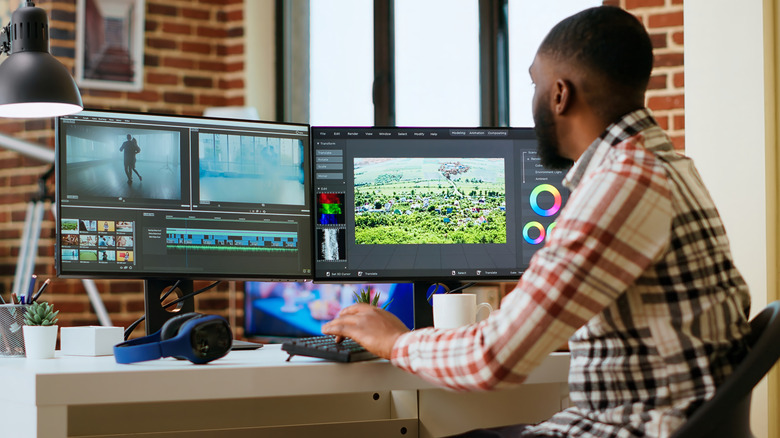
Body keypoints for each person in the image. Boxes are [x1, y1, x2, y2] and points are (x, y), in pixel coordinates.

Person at [323, 6, 751, 438]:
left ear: (559, 94)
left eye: (535, 84)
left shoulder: (622, 183)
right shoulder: (669, 164)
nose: (533, 100)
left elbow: (493, 358)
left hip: (633, 428)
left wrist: (393, 340)